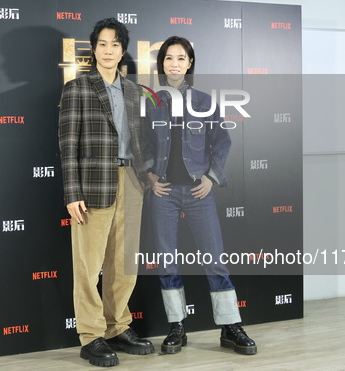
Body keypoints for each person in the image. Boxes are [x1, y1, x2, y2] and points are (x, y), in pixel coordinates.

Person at [144, 36, 257, 355]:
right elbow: (144, 146)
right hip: (163, 192)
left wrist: (210, 177)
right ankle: (177, 326)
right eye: (168, 58)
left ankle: (230, 326)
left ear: (190, 63)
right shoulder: (150, 102)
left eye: (181, 58)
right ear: (161, 63)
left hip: (198, 192)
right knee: (168, 261)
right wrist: (151, 174)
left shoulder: (206, 102)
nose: (174, 64)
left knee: (215, 259)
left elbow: (223, 143)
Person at [58, 18, 154, 367]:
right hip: (93, 182)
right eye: (102, 44)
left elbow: (140, 141)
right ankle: (91, 335)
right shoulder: (78, 87)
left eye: (115, 44)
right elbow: (68, 145)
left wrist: (145, 178)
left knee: (123, 264)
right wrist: (72, 192)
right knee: (88, 264)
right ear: (93, 49)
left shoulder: (133, 91)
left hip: (131, 180)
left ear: (123, 50)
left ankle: (118, 327)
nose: (108, 50)